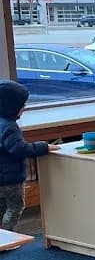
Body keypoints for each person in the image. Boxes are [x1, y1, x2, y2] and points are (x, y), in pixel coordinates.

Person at [0, 80, 60, 231]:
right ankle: (8, 236)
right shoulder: (9, 127)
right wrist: (43, 147)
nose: (24, 108)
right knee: (15, 207)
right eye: (22, 105)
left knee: (2, 208)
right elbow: (19, 148)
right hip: (10, 178)